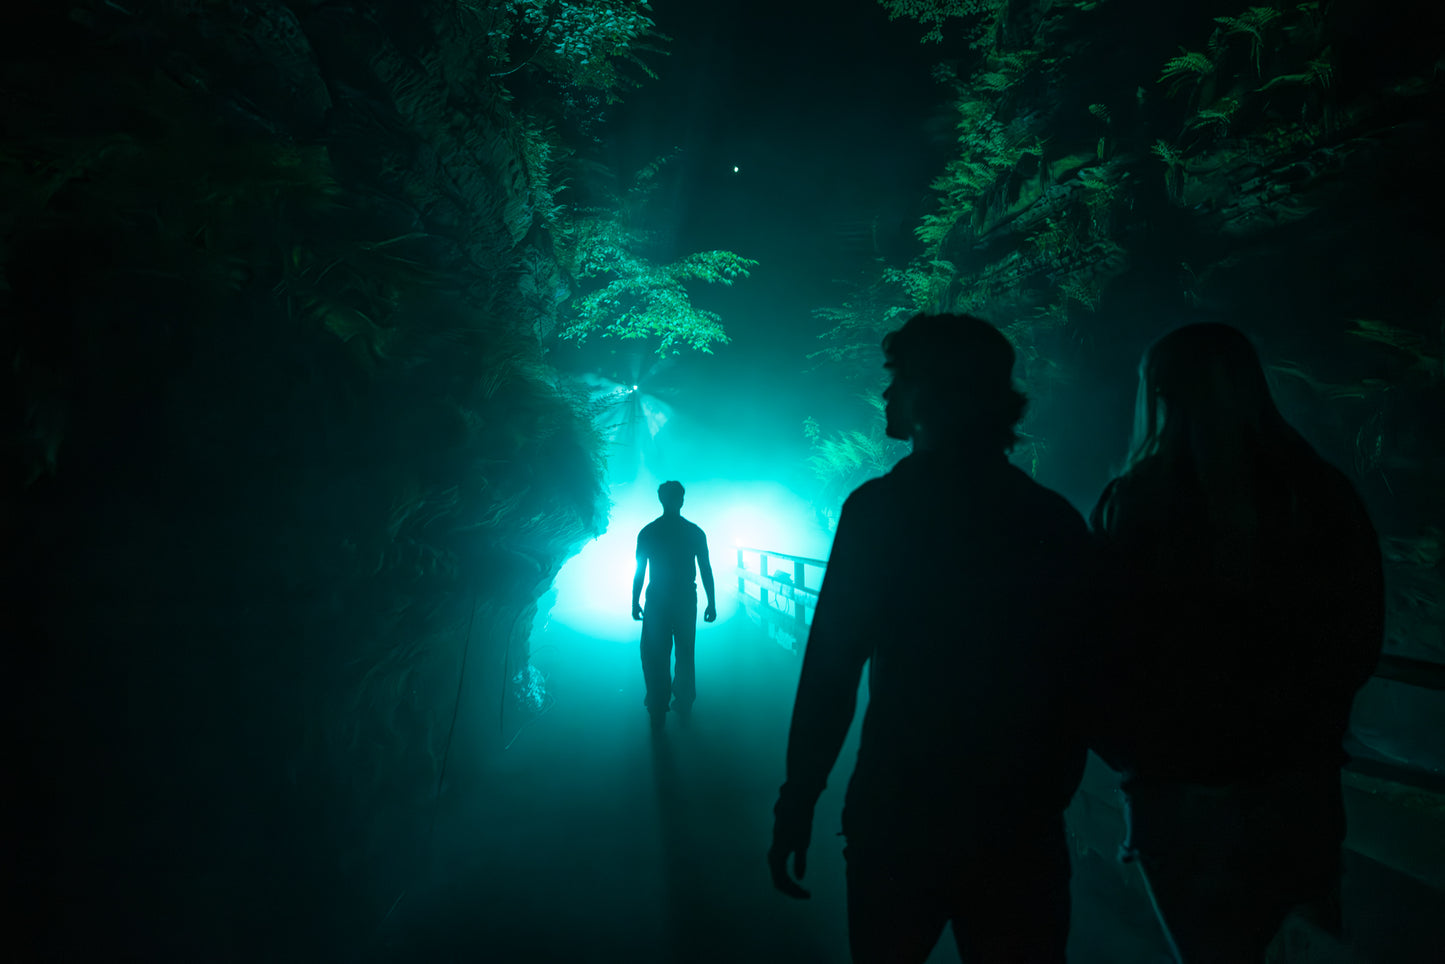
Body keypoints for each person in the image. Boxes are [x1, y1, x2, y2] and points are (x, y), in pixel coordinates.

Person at [769, 313, 1096, 963]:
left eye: (897, 380)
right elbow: (1083, 670)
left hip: (900, 809)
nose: (886, 396)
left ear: (934, 394)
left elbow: (832, 667)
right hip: (1017, 816)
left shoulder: (879, 511)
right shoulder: (1048, 518)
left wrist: (799, 795)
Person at [1089, 323, 1384, 963]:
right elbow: (1358, 633)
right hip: (1296, 780)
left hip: (1175, 779)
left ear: (1158, 392)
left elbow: (1097, 645)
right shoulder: (1318, 492)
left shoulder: (1133, 502)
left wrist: (1131, 749)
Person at [633, 480, 716, 729]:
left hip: (657, 598)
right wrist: (711, 602)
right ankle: (684, 702)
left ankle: (657, 705)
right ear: (682, 499)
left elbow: (639, 571)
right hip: (684, 599)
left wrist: (634, 600)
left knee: (654, 652)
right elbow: (705, 570)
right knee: (685, 652)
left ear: (661, 500)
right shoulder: (694, 532)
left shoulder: (648, 532)